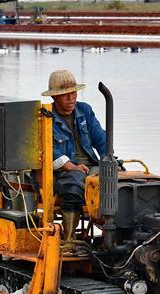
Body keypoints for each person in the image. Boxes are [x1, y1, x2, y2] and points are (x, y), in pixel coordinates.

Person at [41, 69, 107, 254]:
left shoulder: (85, 110)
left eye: (73, 93)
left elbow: (101, 138)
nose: (71, 98)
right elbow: (47, 149)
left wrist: (108, 160)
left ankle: (114, 236)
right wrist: (70, 165)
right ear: (55, 97)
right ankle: (69, 240)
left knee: (120, 180)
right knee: (74, 184)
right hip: (61, 171)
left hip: (90, 167)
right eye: (65, 95)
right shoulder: (45, 116)